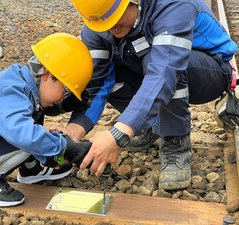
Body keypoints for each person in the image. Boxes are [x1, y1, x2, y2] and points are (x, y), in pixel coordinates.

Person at [59, 0, 238, 191]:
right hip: (150, 63)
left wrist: (119, 134)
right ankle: (148, 126)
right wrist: (72, 133)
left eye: (114, 18)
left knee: (163, 64)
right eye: (103, 23)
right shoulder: (98, 25)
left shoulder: (174, 6)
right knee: (108, 72)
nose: (110, 27)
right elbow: (96, 84)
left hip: (208, 70)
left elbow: (164, 73)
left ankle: (174, 142)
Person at [0, 33, 93, 207]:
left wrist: (63, 106)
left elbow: (36, 109)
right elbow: (23, 135)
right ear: (46, 74)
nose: (62, 97)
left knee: (39, 134)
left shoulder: (24, 84)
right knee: (31, 136)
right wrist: (66, 148)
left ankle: (32, 169)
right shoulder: (9, 90)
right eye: (65, 90)